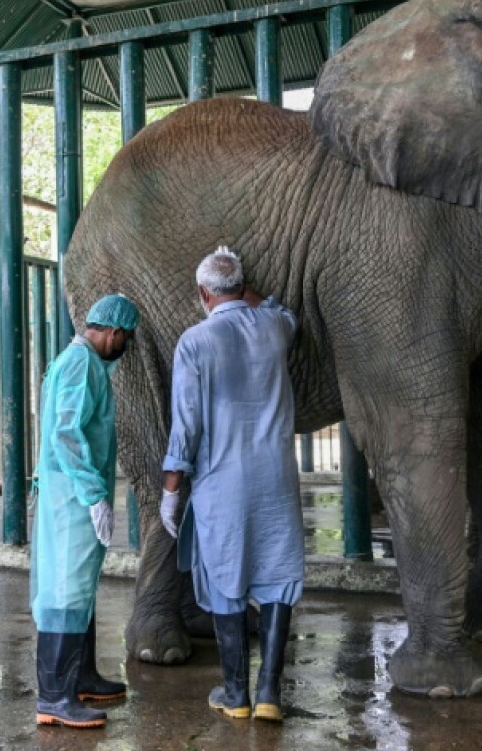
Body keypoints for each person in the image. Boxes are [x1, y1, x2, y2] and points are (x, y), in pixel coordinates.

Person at [160, 247, 304, 723]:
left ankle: (236, 693)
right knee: (279, 579)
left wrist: (171, 488)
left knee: (225, 579)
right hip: (276, 480)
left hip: (223, 482)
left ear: (203, 294)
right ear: (242, 287)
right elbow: (282, 309)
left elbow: (186, 426)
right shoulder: (276, 328)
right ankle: (269, 695)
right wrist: (247, 290)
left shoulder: (195, 342)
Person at [30, 293, 139, 729]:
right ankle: (54, 696)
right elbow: (66, 433)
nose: (124, 346)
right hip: (71, 494)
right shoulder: (80, 364)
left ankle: (81, 677)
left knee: (80, 588)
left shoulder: (84, 363)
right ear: (112, 332)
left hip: (72, 491)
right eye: (125, 338)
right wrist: (94, 493)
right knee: (66, 591)